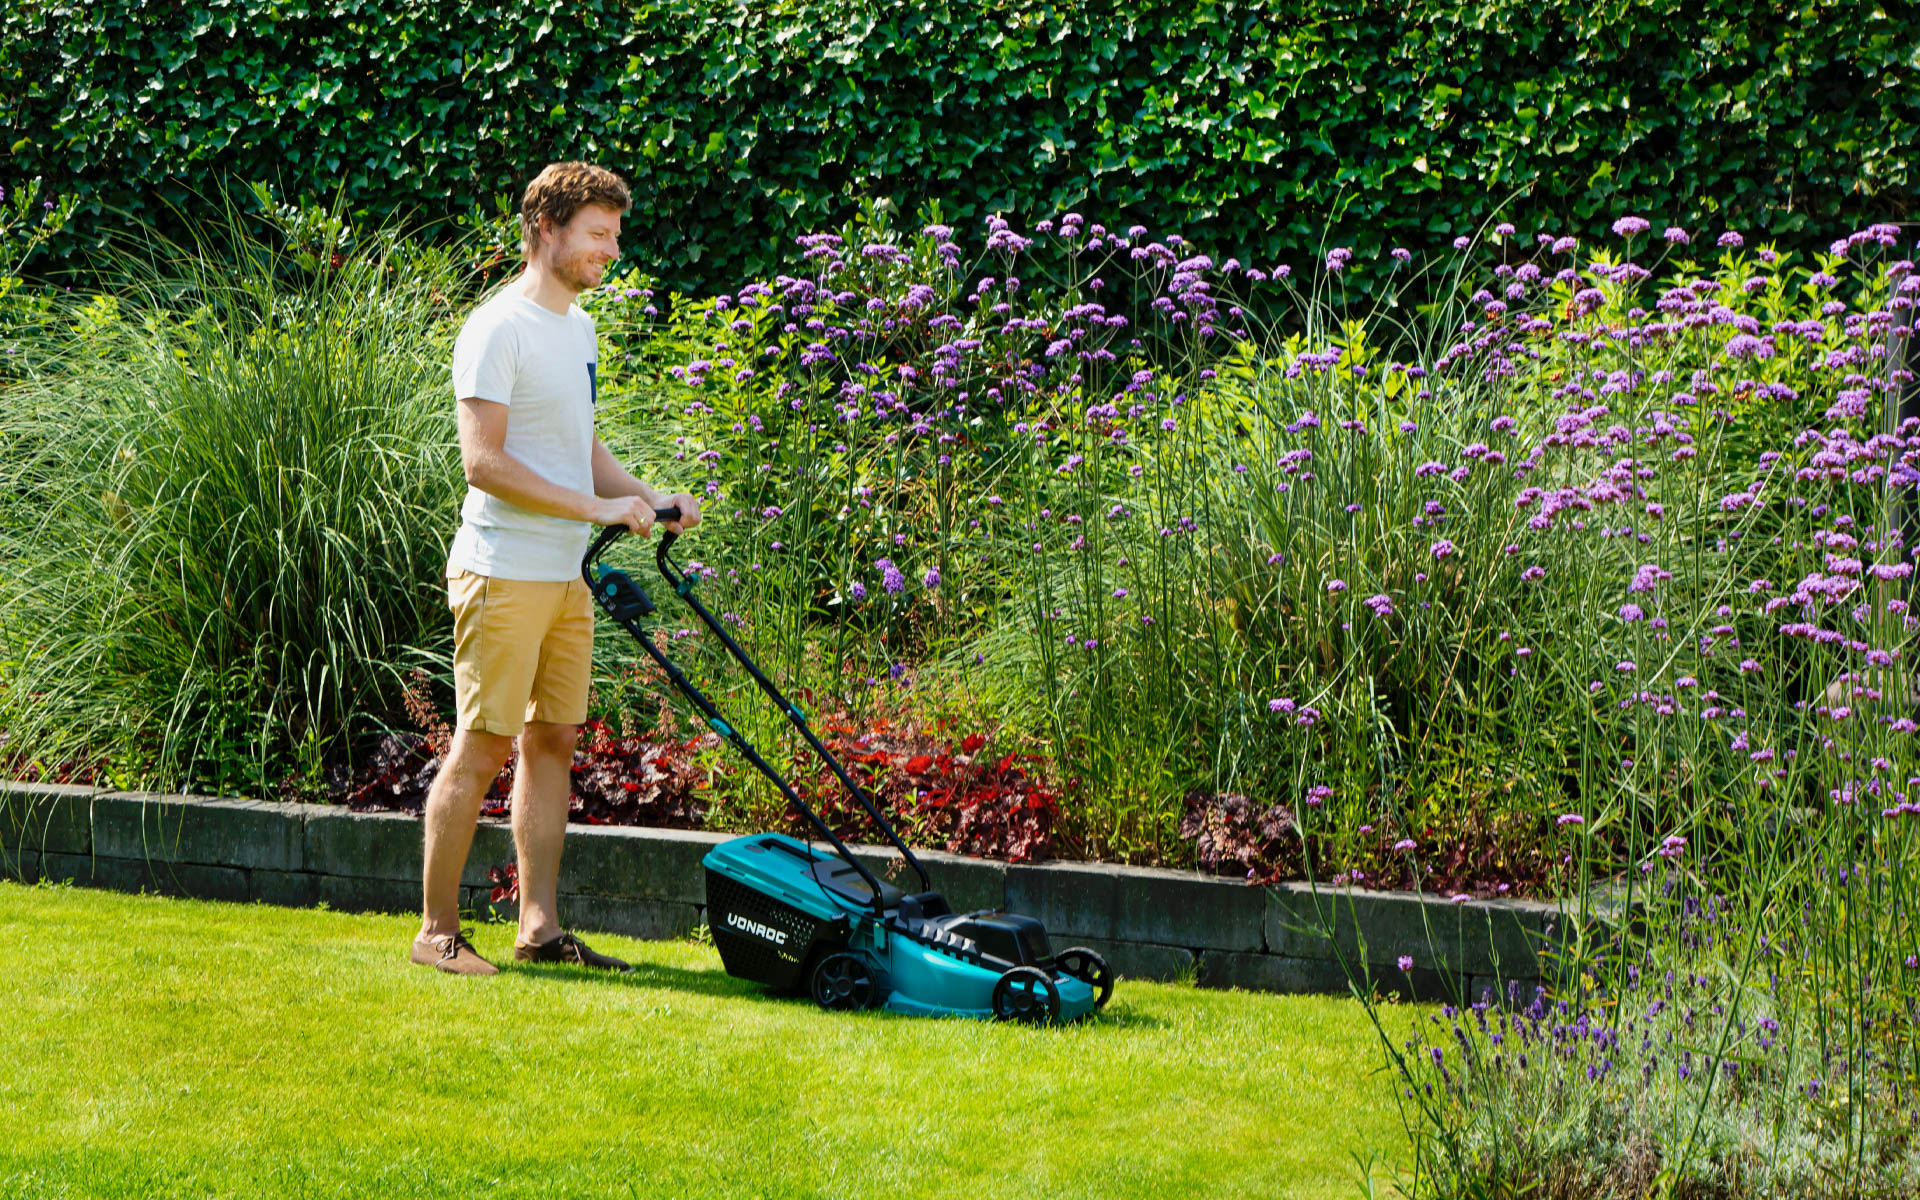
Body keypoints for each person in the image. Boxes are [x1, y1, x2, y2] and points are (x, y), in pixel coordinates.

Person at [412, 161, 702, 976]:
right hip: (502, 572)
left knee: (552, 742)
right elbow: (485, 463)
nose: (610, 251)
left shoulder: (577, 328)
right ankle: (436, 933)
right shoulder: (496, 328)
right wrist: (597, 511)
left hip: (565, 575)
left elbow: (580, 448)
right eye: (597, 235)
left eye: (615, 235)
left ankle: (538, 927)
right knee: (483, 744)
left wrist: (646, 495)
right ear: (548, 229)